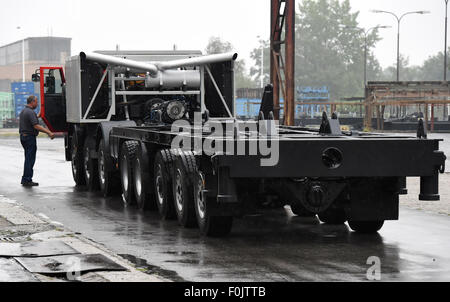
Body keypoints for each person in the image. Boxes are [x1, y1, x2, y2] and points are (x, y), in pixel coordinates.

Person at [19, 95, 55, 187]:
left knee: (28, 158)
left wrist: (40, 114)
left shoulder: (24, 111)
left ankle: (26, 178)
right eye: (36, 101)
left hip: (24, 137)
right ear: (32, 102)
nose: (37, 103)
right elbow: (36, 126)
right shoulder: (30, 112)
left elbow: (33, 118)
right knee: (29, 159)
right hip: (29, 138)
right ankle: (27, 179)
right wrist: (49, 132)